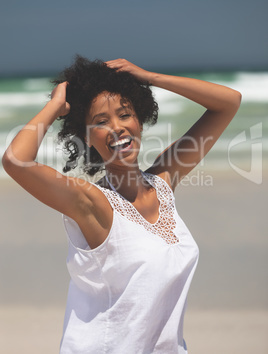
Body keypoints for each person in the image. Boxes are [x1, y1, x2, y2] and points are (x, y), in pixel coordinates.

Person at [2, 56, 241, 353]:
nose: (117, 128)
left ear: (140, 120)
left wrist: (150, 77)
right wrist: (55, 107)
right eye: (101, 122)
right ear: (88, 138)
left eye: (125, 114)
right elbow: (16, 161)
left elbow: (229, 102)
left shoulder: (164, 181)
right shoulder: (92, 203)